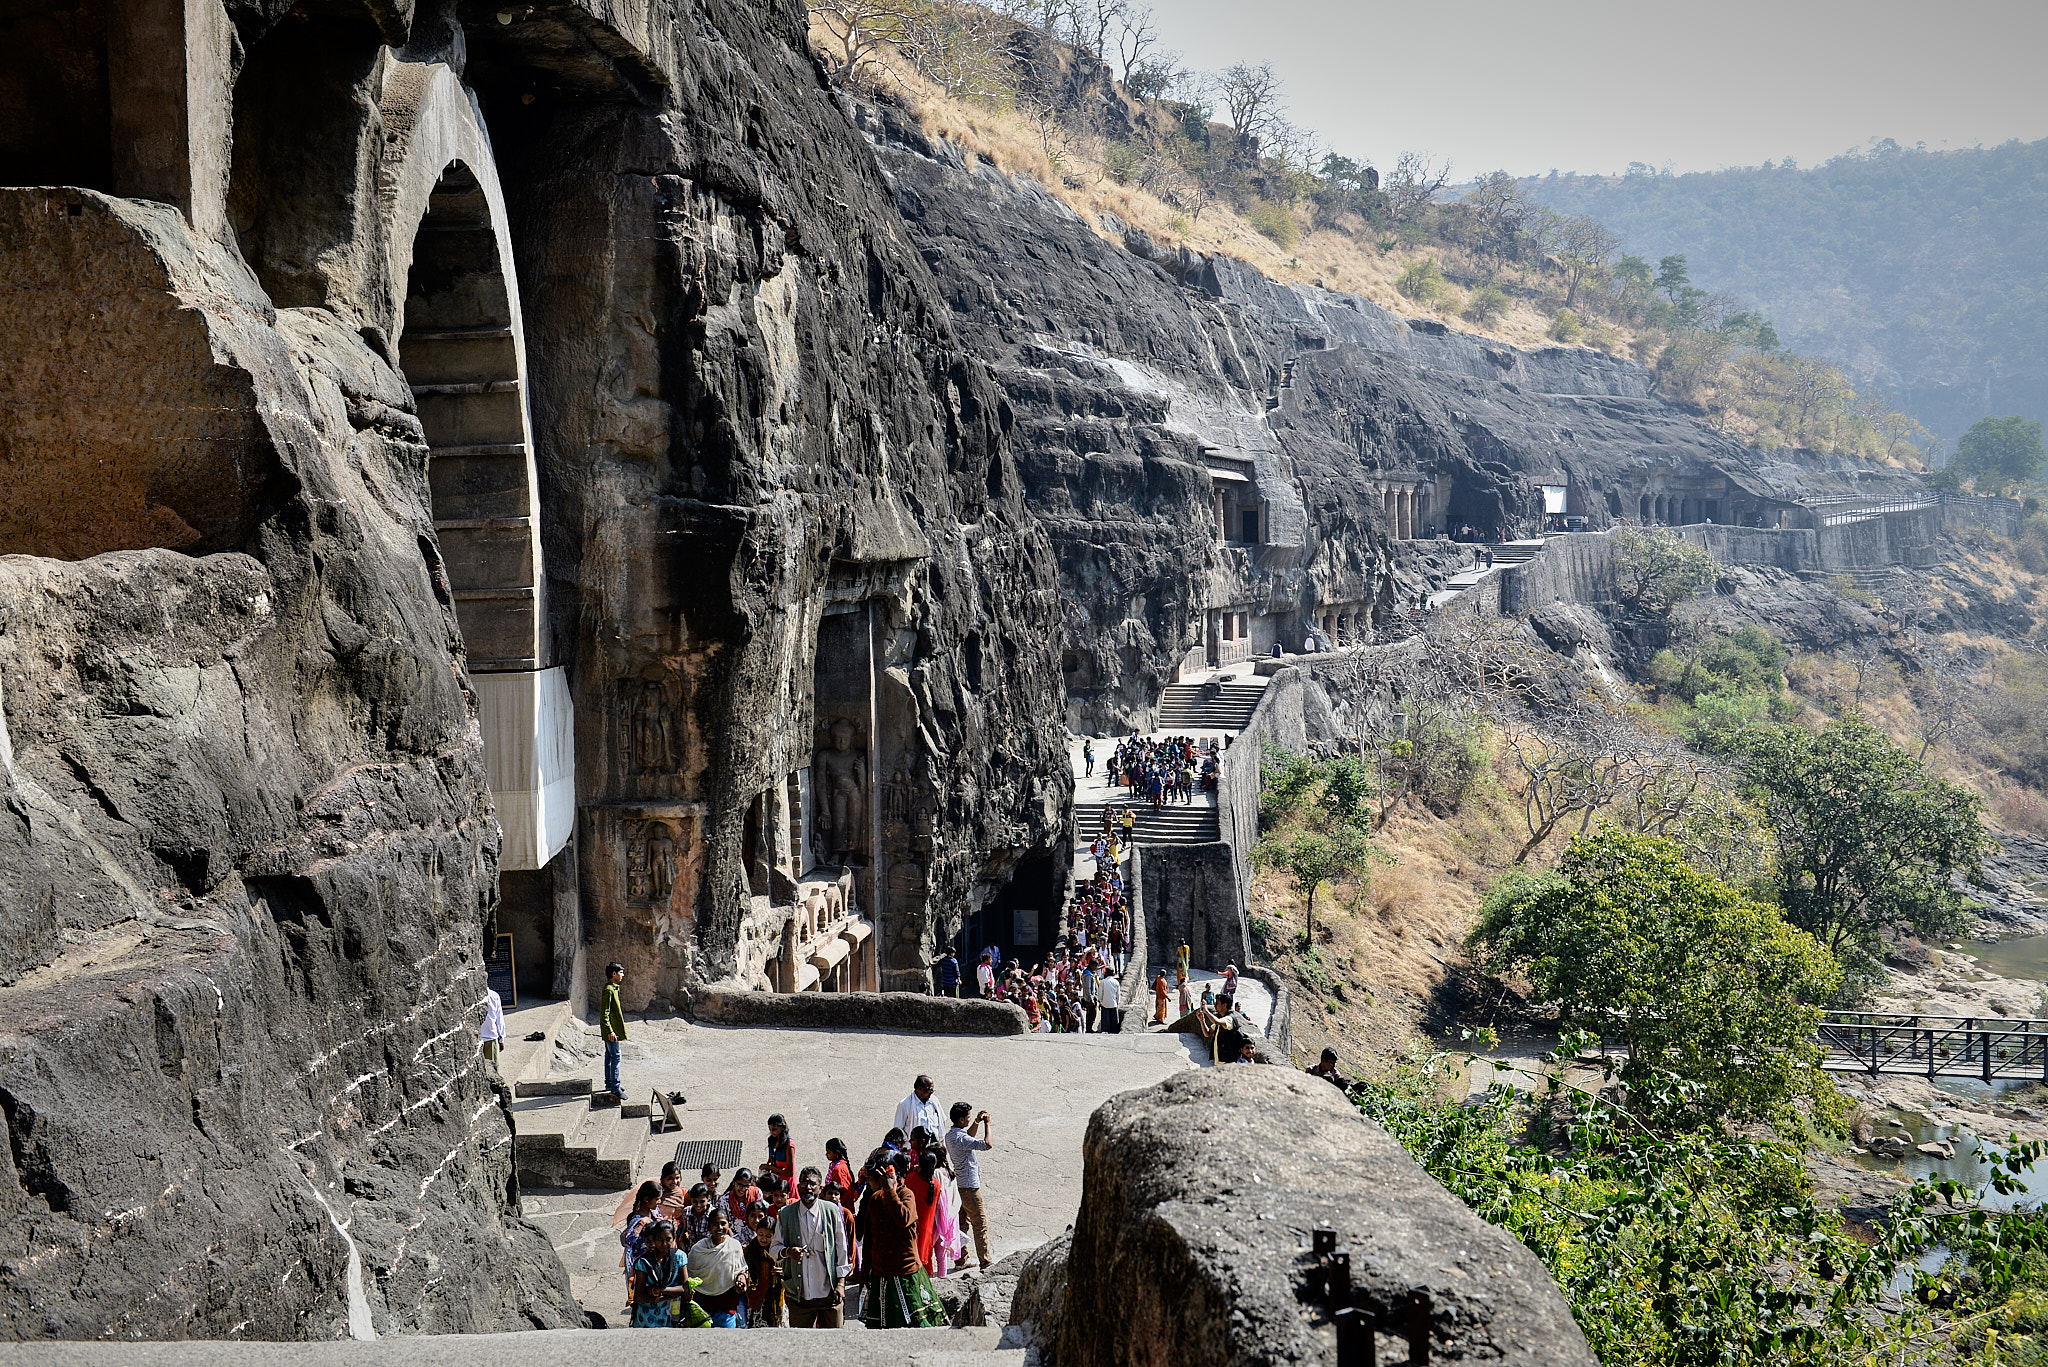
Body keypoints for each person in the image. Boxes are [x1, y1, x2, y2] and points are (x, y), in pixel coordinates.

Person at [859, 1151, 947, 1328]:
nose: (868, 1179)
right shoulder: (875, 1199)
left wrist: (890, 1191)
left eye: (871, 1175)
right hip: (880, 1273)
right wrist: (864, 1274)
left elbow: (903, 1219)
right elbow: (869, 1240)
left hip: (905, 1273)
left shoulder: (906, 1195)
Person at [774, 1166, 851, 1328]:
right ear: (798, 1187)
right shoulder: (785, 1214)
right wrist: (788, 1252)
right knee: (801, 1341)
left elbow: (842, 1250)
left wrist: (841, 1284)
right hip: (800, 1295)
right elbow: (774, 1250)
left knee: (835, 1339)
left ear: (820, 1188)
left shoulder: (831, 1211)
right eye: (804, 1183)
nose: (808, 1187)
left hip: (830, 1294)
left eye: (812, 1184)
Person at [944, 1102, 994, 1270]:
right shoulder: (962, 1138)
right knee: (979, 1224)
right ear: (960, 1120)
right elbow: (987, 1144)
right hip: (970, 1187)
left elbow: (968, 1136)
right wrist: (987, 1124)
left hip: (958, 1186)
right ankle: (985, 1261)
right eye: (968, 1118)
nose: (969, 1120)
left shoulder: (951, 1135)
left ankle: (960, 1259)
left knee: (961, 1224)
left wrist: (977, 1122)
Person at [687, 1208, 751, 1326]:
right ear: (709, 1226)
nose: (719, 1227)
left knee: (727, 1336)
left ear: (729, 1225)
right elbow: (689, 1275)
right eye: (715, 1224)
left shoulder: (734, 1246)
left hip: (726, 1303)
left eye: (723, 1223)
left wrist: (741, 1278)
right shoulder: (698, 1249)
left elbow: (741, 1269)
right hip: (702, 1304)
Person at [629, 1219, 698, 1328]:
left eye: (668, 1239)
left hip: (673, 1314)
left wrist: (660, 1290)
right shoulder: (644, 1262)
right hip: (647, 1318)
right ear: (655, 1239)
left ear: (674, 1238)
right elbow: (639, 1296)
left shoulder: (679, 1257)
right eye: (660, 1239)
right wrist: (665, 1297)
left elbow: (685, 1288)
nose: (664, 1244)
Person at [744, 1200, 785, 1326]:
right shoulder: (750, 1250)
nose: (763, 1239)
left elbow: (790, 1271)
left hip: (777, 1297)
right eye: (760, 1234)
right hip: (757, 1297)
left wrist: (782, 1271)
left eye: (768, 1236)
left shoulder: (780, 1252)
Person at [600, 961, 627, 1101]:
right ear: (614, 974)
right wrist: (609, 1031)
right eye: (620, 972)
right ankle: (615, 1087)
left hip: (611, 1030)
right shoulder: (609, 990)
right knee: (616, 1056)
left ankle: (610, 1083)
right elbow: (604, 1013)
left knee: (610, 1056)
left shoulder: (613, 988)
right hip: (611, 1031)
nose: (623, 975)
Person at [894, 1074, 942, 1140]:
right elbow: (898, 1130)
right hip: (913, 1145)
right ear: (919, 1089)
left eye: (932, 1089)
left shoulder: (934, 1101)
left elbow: (941, 1122)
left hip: (933, 1145)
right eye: (929, 1089)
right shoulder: (905, 1104)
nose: (931, 1092)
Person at [764, 1113, 795, 1187]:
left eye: (774, 1129)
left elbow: (790, 1172)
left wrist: (770, 1168)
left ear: (783, 1127)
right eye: (770, 1129)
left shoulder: (789, 1145)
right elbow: (770, 1160)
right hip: (775, 1181)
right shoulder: (771, 1140)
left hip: (786, 1184)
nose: (771, 1132)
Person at [480, 987, 506, 1066]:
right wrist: (501, 1039)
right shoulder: (493, 995)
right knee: (492, 1068)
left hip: (477, 1038)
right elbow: (499, 1020)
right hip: (490, 1037)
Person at [1097, 969, 1123, 1035]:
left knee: (1105, 1020)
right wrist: (1117, 1002)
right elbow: (1118, 994)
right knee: (1114, 1021)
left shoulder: (1103, 982)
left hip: (1105, 1003)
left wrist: (1100, 1001)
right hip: (1113, 1003)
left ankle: (1106, 1031)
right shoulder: (1116, 982)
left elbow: (1100, 993)